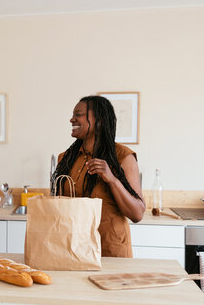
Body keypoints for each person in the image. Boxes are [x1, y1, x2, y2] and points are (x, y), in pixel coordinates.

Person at [53, 95, 145, 258]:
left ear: (99, 120)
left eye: (78, 114)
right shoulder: (65, 158)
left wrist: (112, 179)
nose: (71, 119)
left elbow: (137, 214)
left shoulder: (122, 156)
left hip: (110, 251)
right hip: (74, 249)